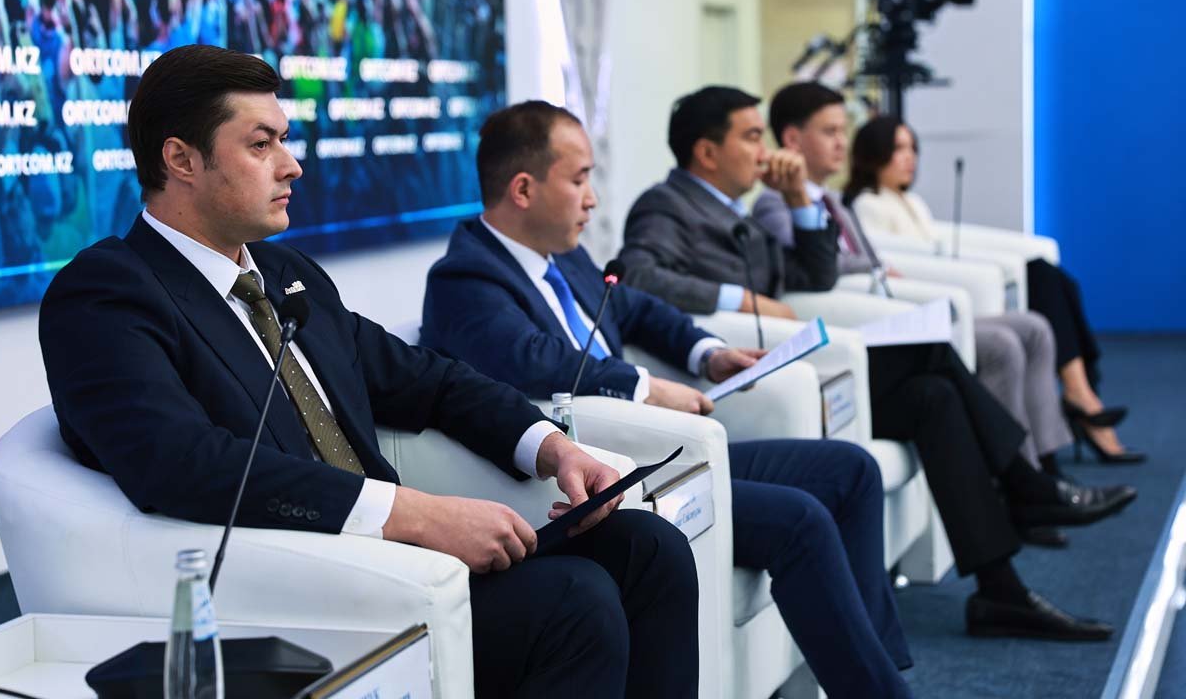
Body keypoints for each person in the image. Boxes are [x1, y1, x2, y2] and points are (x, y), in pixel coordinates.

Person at [38, 45, 700, 699]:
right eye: (261, 145)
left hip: (409, 563)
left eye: (284, 140)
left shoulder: (286, 273)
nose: (292, 165)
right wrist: (414, 515)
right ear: (181, 160)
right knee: (574, 601)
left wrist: (553, 448)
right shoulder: (106, 293)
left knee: (649, 549)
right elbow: (179, 462)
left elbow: (429, 380)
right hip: (306, 587)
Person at [421, 100, 914, 698]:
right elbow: (531, 357)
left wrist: (707, 353)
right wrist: (646, 387)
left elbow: (637, 308)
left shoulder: (566, 256)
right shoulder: (464, 278)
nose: (593, 200)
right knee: (801, 518)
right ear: (523, 189)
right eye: (580, 180)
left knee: (849, 471)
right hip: (609, 473)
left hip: (665, 453)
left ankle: (882, 669)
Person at [619, 85, 1137, 641]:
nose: (764, 151)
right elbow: (636, 274)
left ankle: (1000, 589)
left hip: (799, 366)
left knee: (934, 396)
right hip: (748, 379)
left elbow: (816, 276)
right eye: (751, 137)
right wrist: (739, 300)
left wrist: (799, 201)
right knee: (930, 352)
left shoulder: (741, 208)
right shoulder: (665, 205)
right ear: (706, 152)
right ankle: (1026, 484)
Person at [754, 83, 1074, 488]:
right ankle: (1021, 477)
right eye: (830, 132)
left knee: (1032, 326)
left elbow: (867, 259)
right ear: (792, 139)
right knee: (999, 345)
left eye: (843, 131)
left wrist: (876, 268)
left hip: (886, 304)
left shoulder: (833, 200)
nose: (842, 143)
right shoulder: (774, 204)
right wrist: (873, 268)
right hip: (860, 323)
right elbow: (821, 270)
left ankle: (1043, 461)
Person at [844, 116, 1142, 465]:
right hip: (938, 296)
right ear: (874, 154)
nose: (910, 158)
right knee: (1041, 282)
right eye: (898, 149)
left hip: (953, 283)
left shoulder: (909, 202)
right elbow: (897, 263)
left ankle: (1075, 404)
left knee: (1055, 281)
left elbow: (933, 248)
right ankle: (1079, 400)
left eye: (913, 148)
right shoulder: (868, 205)